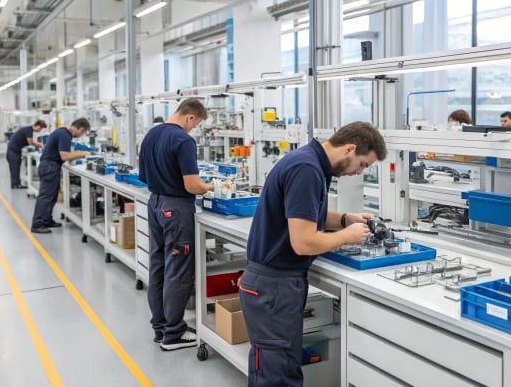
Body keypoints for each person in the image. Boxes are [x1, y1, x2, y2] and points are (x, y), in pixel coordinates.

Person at [239, 121, 387, 386]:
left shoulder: (310, 162)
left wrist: (344, 219)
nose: (359, 172)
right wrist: (347, 236)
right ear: (349, 149)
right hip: (274, 288)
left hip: (275, 285)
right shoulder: (307, 169)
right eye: (363, 164)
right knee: (278, 374)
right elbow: (303, 242)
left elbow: (305, 216)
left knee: (278, 367)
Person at [138, 99, 214, 351]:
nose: (193, 129)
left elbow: (144, 176)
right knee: (178, 269)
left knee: (158, 264)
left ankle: (160, 327)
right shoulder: (183, 140)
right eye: (196, 124)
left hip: (155, 203)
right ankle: (174, 333)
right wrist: (209, 187)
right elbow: (193, 185)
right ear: (190, 118)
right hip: (177, 209)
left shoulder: (152, 134)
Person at [30, 118, 91, 234]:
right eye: (83, 133)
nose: (81, 135)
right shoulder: (65, 135)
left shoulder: (62, 132)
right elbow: (64, 156)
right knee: (46, 197)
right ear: (81, 129)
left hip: (51, 166)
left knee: (52, 196)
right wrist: (83, 154)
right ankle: (37, 224)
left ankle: (47, 220)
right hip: (49, 167)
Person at [6, 120, 47, 189]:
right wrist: (40, 145)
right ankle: (16, 185)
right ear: (36, 125)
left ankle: (16, 184)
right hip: (13, 151)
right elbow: (30, 142)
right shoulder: (29, 130)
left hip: (13, 150)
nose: (39, 131)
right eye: (40, 129)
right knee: (15, 168)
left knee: (15, 168)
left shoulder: (27, 129)